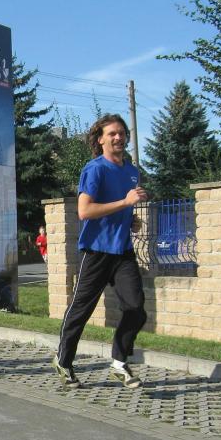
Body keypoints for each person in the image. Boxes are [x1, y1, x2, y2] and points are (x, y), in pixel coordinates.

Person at [51, 114, 148, 390]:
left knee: (136, 308)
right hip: (96, 252)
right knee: (81, 310)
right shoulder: (95, 169)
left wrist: (131, 219)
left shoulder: (132, 171)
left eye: (122, 133)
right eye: (112, 134)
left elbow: (120, 208)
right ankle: (64, 360)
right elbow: (85, 211)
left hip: (123, 251)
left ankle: (119, 362)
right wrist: (125, 203)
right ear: (101, 139)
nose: (118, 137)